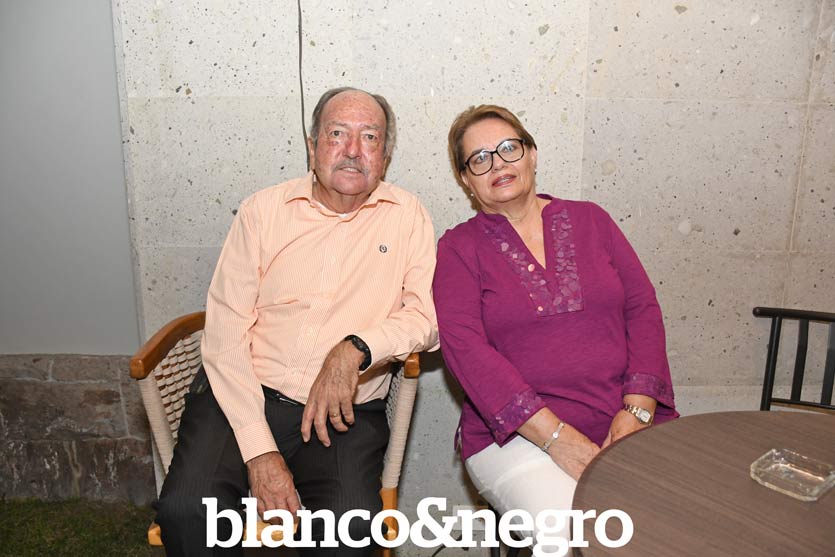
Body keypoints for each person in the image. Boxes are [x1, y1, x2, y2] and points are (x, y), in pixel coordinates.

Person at [155, 87, 438, 556]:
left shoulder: (408, 217)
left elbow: (425, 319)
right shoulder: (262, 211)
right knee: (188, 511)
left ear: (385, 157)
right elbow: (225, 333)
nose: (353, 150)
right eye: (337, 134)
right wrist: (260, 450)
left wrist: (355, 348)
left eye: (370, 137)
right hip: (244, 394)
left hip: (343, 412)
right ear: (312, 146)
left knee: (352, 527)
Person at [433, 105, 677, 542]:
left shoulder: (592, 220)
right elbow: (466, 352)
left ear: (532, 154)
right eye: (480, 158)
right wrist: (558, 439)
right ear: (466, 179)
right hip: (518, 439)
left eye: (508, 148)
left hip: (625, 418)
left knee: (687, 522)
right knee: (580, 537)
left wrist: (637, 411)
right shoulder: (458, 249)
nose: (498, 164)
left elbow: (642, 309)